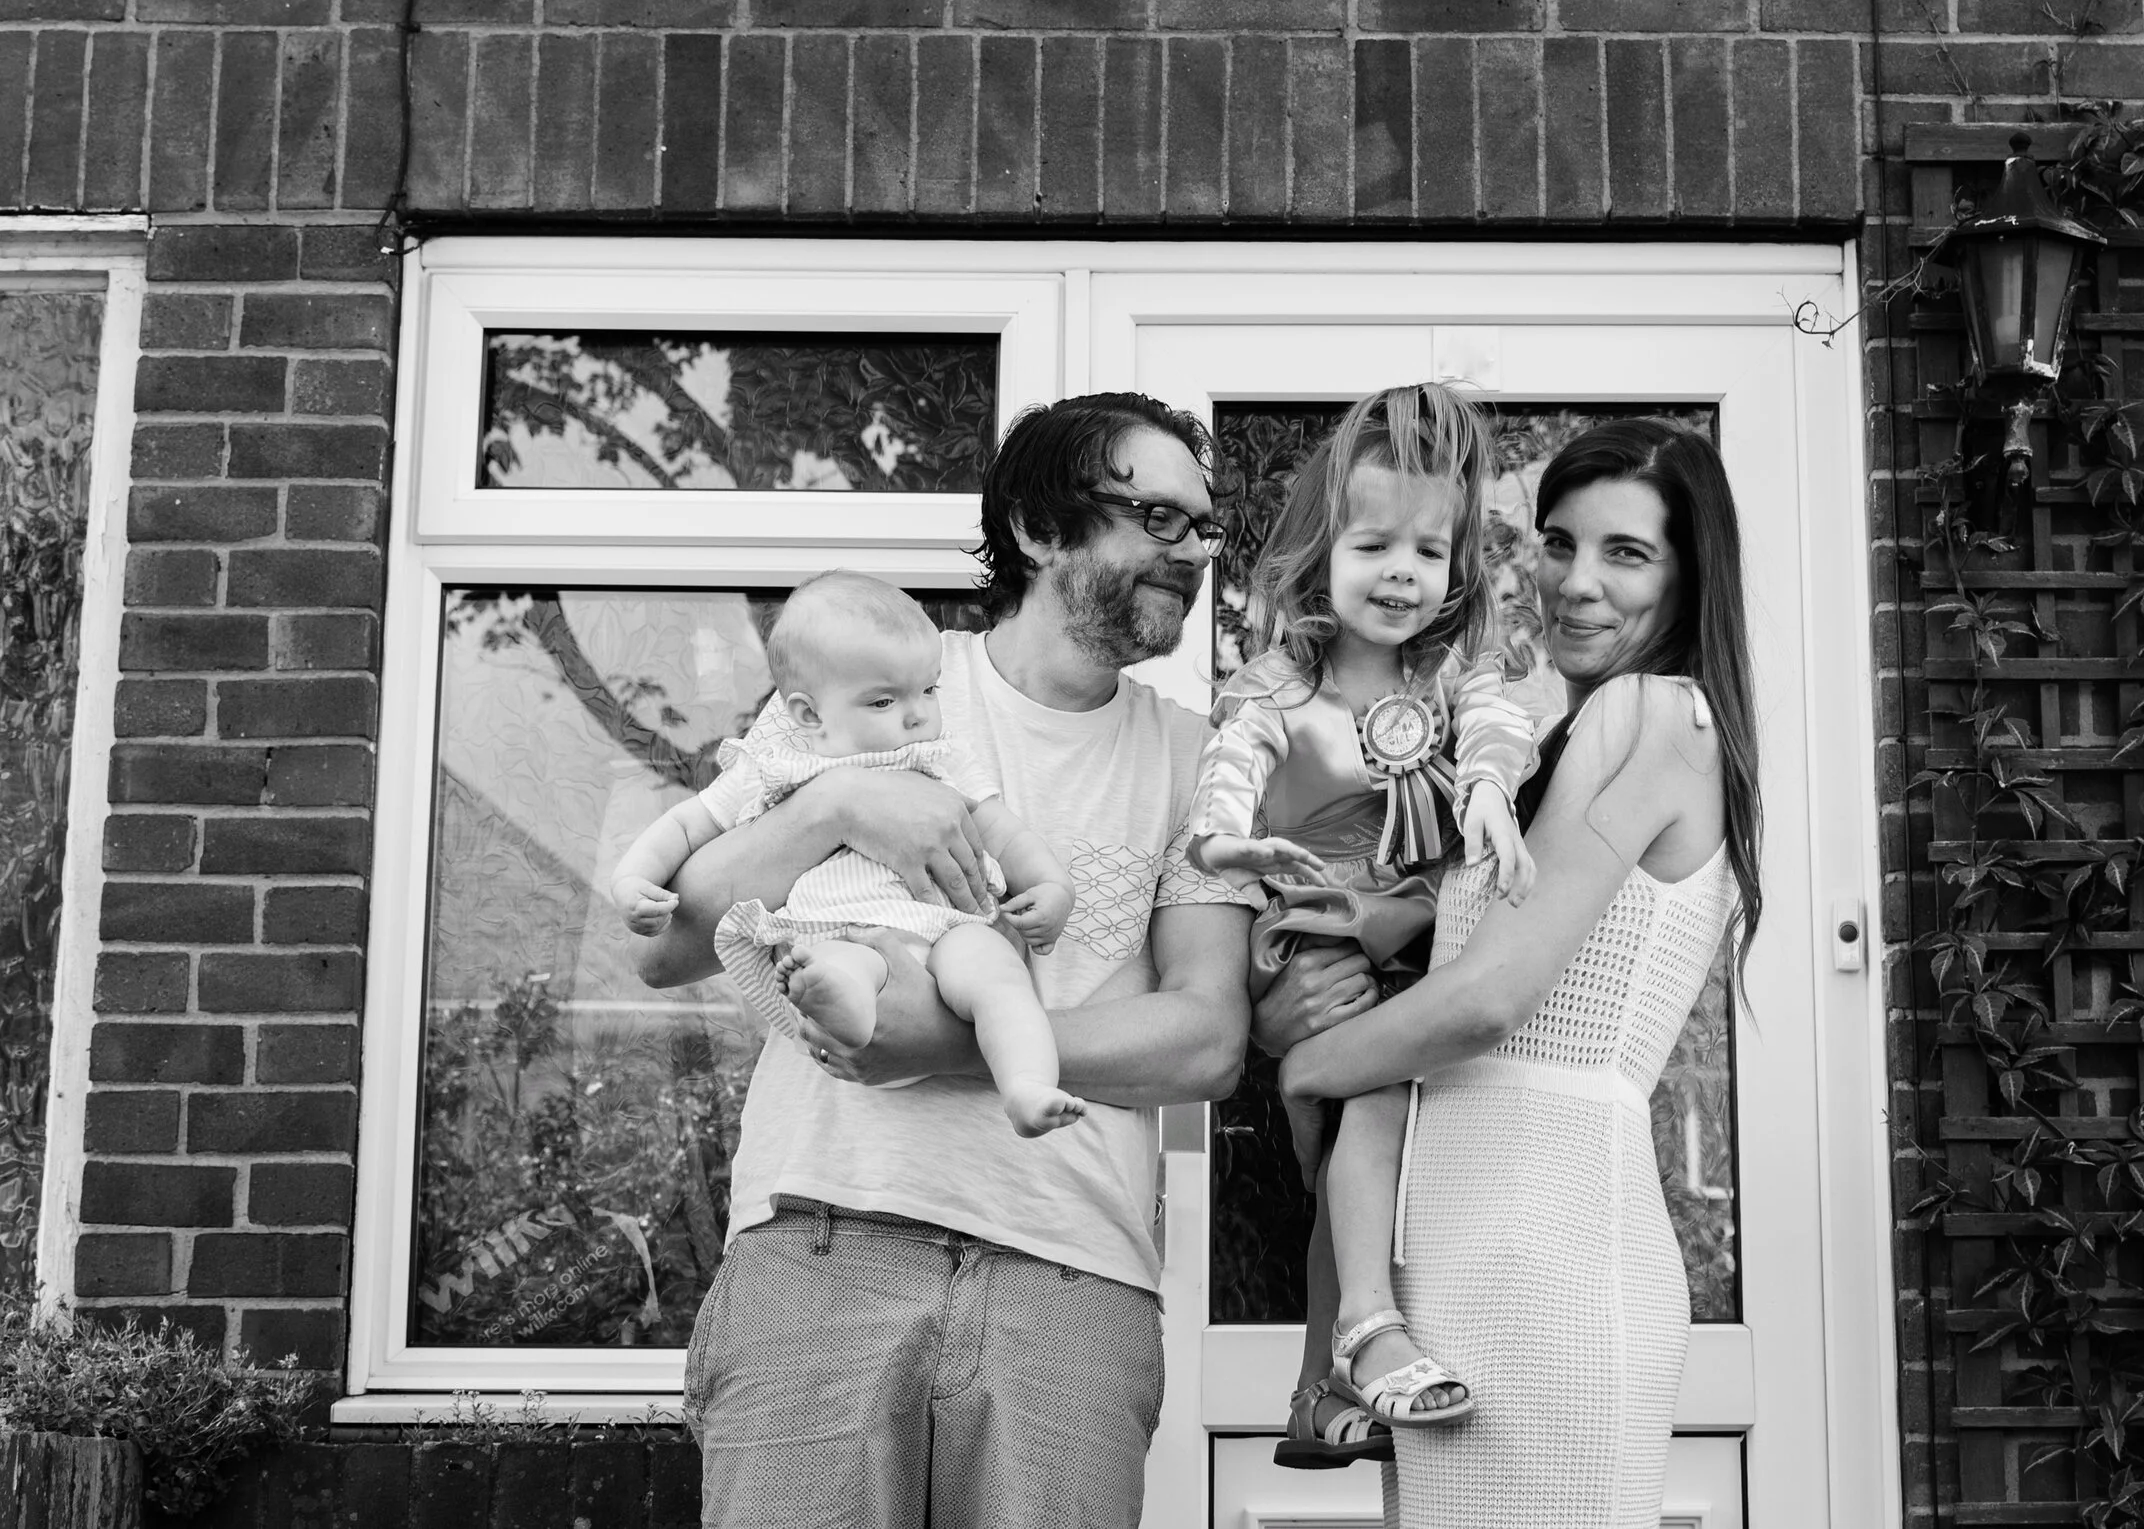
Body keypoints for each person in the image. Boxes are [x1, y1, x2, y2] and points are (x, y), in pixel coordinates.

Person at [634, 393, 1258, 1529]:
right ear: (1036, 524)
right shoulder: (879, 679)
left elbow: (1208, 1036)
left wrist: (951, 1043)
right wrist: (837, 801)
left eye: (1205, 529)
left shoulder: (1197, 759)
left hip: (1074, 1277)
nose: (1193, 554)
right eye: (1159, 518)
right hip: (821, 1239)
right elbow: (672, 945)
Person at [1275, 417, 1766, 1527]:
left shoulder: (1652, 714)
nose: (1576, 583)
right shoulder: (1574, 734)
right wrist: (1387, 911)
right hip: (1461, 1252)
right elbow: (1492, 940)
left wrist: (1308, 1061)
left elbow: (1496, 995)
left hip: (1543, 1249)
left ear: (1693, 574)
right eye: (1556, 543)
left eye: (1625, 553)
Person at [1184, 383, 1537, 1465]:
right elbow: (1231, 763)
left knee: (1363, 1159)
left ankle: (1314, 1396)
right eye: (1373, 541)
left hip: (1419, 940)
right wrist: (1220, 840)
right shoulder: (1275, 687)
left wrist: (1484, 785)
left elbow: (1498, 722)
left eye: (1427, 552)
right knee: (1370, 1098)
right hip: (1315, 938)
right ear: (1318, 549)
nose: (1400, 571)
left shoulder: (1451, 675)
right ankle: (1370, 1333)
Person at [607, 570, 1084, 1137]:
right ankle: (848, 1010)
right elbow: (687, 824)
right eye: (883, 700)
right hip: (848, 930)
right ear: (809, 715)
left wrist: (1053, 889)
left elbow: (1003, 832)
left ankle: (1027, 1086)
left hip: (948, 931)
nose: (916, 715)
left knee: (1002, 978)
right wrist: (634, 879)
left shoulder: (941, 759)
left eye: (928, 691)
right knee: (840, 964)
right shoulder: (779, 766)